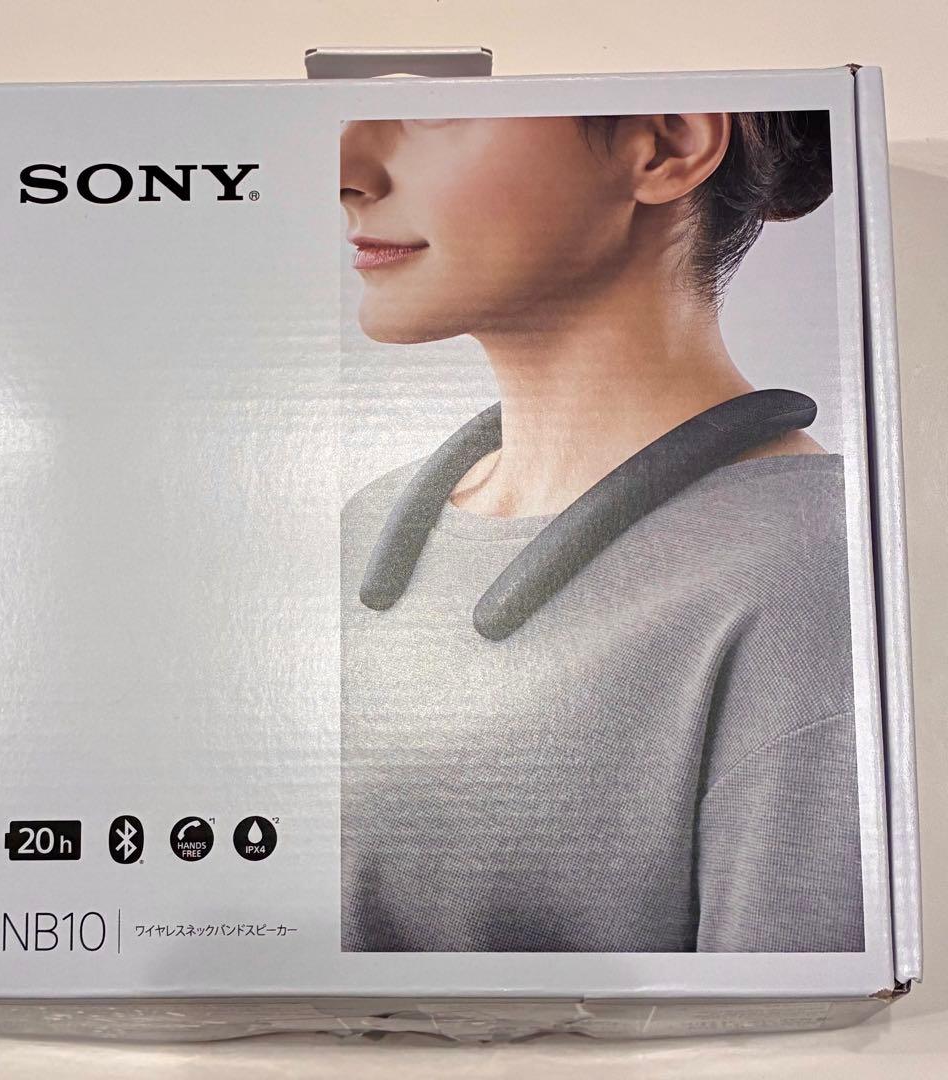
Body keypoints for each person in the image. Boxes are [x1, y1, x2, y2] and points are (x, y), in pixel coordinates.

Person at [338, 113, 864, 952]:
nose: (349, 170)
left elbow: (790, 1027)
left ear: (665, 144)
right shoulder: (359, 529)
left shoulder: (813, 581)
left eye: (432, 116)